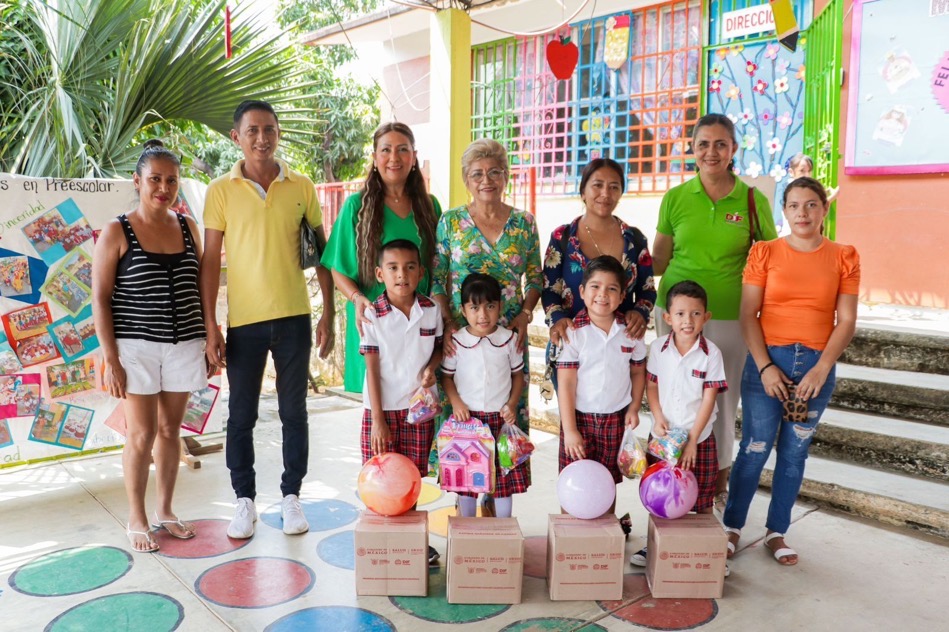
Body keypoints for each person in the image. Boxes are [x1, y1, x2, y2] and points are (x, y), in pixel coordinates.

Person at [201, 100, 335, 539]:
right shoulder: (220, 190)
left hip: (296, 317)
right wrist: (211, 326)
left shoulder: (301, 186)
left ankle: (292, 496)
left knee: (294, 412)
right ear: (236, 137)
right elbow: (209, 261)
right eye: (253, 130)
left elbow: (322, 253)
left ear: (278, 133)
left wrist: (329, 312)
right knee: (241, 415)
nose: (262, 138)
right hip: (245, 323)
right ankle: (244, 500)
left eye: (270, 129)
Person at [723, 177, 859, 566]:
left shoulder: (844, 256)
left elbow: (847, 320)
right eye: (794, 205)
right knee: (754, 448)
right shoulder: (765, 252)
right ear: (784, 211)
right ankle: (732, 526)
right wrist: (765, 366)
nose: (803, 213)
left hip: (817, 366)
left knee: (794, 452)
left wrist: (822, 368)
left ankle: (776, 532)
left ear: (824, 209)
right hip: (767, 363)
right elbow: (748, 314)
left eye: (811, 204)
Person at [652, 113, 778, 508]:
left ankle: (716, 482)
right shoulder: (675, 198)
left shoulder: (752, 201)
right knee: (673, 394)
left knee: (721, 400)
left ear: (733, 149)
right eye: (703, 144)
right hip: (672, 312)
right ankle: (668, 474)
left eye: (720, 144)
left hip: (727, 316)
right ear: (692, 148)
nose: (711, 152)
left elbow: (771, 260)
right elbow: (659, 259)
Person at [92, 140, 209, 552]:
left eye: (171, 180)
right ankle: (136, 517)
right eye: (155, 179)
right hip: (135, 348)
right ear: (137, 181)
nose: (163, 188)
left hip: (184, 343)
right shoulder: (116, 231)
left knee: (170, 430)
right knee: (141, 434)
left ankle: (166, 510)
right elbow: (100, 298)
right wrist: (111, 358)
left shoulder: (188, 227)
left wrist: (210, 337)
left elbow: (200, 287)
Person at [431, 138, 543, 510]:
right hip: (462, 338)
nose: (486, 180)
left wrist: (524, 315)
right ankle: (467, 492)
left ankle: (498, 494)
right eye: (477, 173)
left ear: (506, 176)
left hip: (509, 337)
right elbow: (437, 278)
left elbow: (536, 277)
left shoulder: (524, 224)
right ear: (466, 179)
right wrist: (449, 323)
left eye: (495, 172)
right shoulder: (451, 222)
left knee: (505, 417)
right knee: (465, 423)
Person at [323, 122, 441, 394]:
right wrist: (356, 298)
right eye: (386, 150)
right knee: (377, 405)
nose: (394, 157)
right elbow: (337, 268)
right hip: (375, 321)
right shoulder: (356, 207)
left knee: (420, 401)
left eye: (403, 150)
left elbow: (440, 266)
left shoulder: (430, 206)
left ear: (414, 157)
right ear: (375, 158)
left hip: (418, 323)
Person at [629, 280, 728, 568]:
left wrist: (693, 440)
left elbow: (709, 398)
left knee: (702, 498)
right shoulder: (658, 347)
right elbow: (652, 385)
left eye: (696, 314)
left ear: (706, 317)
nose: (688, 320)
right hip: (663, 437)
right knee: (659, 494)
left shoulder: (711, 354)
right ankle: (654, 546)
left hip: (699, 439)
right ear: (668, 317)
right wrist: (657, 416)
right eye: (681, 314)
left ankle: (707, 553)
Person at [360, 239, 442, 564]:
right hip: (382, 411)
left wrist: (432, 368)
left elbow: (438, 347)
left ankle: (411, 543)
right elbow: (371, 368)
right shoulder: (371, 315)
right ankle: (381, 545)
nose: (401, 275)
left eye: (409, 267)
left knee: (410, 479)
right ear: (380, 273)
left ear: (421, 272)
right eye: (393, 268)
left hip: (419, 410)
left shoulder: (431, 310)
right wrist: (378, 420)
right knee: (380, 478)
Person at [542, 157, 656, 387]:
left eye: (614, 187)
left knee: (617, 407)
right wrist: (558, 319)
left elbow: (647, 290)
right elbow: (549, 289)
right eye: (597, 185)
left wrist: (640, 312)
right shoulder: (562, 237)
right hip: (572, 348)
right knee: (570, 410)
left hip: (618, 350)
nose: (605, 193)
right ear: (583, 191)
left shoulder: (635, 239)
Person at [556, 256, 646, 516]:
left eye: (612, 288)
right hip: (579, 419)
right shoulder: (573, 333)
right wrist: (570, 430)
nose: (602, 294)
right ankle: (568, 530)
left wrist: (634, 408)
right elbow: (566, 382)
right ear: (582, 291)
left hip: (615, 418)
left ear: (622, 296)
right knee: (573, 476)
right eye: (595, 286)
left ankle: (607, 530)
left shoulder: (631, 332)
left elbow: (638, 371)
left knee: (607, 481)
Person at [441, 273, 527, 519]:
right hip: (467, 423)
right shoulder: (457, 342)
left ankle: (505, 528)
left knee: (503, 480)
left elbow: (518, 376)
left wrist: (512, 404)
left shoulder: (508, 339)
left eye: (490, 306)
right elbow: (446, 377)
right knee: (467, 480)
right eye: (474, 307)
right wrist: (456, 403)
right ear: (463, 310)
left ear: (500, 306)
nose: (483, 315)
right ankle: (466, 529)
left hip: (501, 420)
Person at [774, 153, 839, 235]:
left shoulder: (800, 188)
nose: (807, 175)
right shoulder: (793, 190)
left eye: (809, 171)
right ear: (791, 172)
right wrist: (833, 196)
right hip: (793, 235)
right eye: (802, 171)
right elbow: (813, 207)